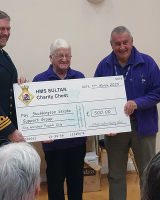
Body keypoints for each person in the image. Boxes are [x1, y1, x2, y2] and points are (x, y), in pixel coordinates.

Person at [94, 26, 160, 200]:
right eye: (117, 43)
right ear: (111, 44)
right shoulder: (104, 66)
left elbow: (157, 92)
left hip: (143, 128)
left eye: (125, 42)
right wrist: (105, 123)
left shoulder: (148, 62)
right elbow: (96, 97)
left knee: (148, 175)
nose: (122, 47)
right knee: (115, 175)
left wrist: (137, 103)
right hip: (115, 130)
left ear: (132, 41)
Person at [33, 39, 87, 200]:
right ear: (51, 58)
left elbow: (86, 107)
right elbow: (35, 112)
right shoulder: (39, 80)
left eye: (67, 55)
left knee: (76, 183)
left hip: (77, 143)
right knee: (55, 185)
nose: (64, 59)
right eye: (60, 55)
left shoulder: (80, 77)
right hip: (53, 145)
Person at [0, 10, 28, 145]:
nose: (5, 33)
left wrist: (18, 86)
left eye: (8, 29)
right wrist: (9, 130)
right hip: (4, 130)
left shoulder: (4, 55)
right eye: (1, 29)